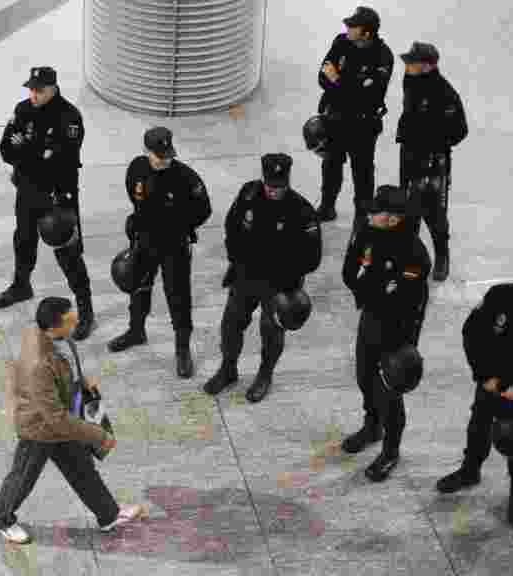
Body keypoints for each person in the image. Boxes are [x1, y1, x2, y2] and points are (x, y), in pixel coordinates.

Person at [0, 296, 145, 544]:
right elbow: (56, 418)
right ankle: (1, 519)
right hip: (40, 428)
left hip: (59, 419)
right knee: (23, 478)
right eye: (69, 319)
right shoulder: (39, 364)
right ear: (54, 327)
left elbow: (64, 371)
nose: (75, 321)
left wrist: (80, 382)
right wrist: (98, 435)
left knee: (82, 469)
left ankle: (108, 515)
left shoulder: (57, 337)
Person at [203, 154, 321, 401]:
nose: (273, 191)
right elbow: (232, 226)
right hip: (246, 276)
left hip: (280, 286)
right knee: (231, 325)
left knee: (271, 333)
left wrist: (284, 272)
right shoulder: (249, 195)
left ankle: (265, 375)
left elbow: (313, 257)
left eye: (279, 187)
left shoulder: (302, 211)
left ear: (287, 181)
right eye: (270, 186)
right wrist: (236, 259)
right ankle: (228, 369)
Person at [0, 67, 95, 339]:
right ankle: (21, 286)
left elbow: (60, 163)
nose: (33, 95)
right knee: (23, 240)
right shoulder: (23, 109)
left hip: (57, 196)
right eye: (31, 89)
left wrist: (25, 148)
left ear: (53, 88)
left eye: (39, 90)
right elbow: (5, 150)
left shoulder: (69, 118)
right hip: (27, 191)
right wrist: (36, 152)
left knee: (68, 253)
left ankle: (86, 311)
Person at [340, 185, 430, 482]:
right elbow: (349, 272)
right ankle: (372, 426)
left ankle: (391, 450)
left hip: (398, 331)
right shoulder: (366, 231)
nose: (370, 214)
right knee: (364, 376)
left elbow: (402, 299)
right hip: (371, 317)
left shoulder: (414, 253)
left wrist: (371, 287)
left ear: (393, 218)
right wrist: (373, 288)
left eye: (377, 211)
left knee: (389, 391)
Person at [436, 255, 513, 528]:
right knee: (478, 425)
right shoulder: (499, 297)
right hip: (490, 382)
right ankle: (470, 471)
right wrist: (485, 376)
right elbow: (472, 334)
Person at [108, 127, 212, 377]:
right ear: (147, 151)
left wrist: (179, 225)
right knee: (138, 287)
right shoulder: (137, 168)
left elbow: (204, 209)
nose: (164, 160)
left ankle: (182, 349)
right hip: (144, 241)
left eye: (167, 155)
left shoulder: (186, 177)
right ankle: (136, 331)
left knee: (178, 296)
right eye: (158, 155)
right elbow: (135, 197)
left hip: (174, 246)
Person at [395, 41, 468, 282]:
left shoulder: (445, 93)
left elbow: (460, 130)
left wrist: (434, 142)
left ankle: (442, 256)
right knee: (409, 209)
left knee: (435, 214)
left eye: (412, 62)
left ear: (427, 65)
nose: (407, 65)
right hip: (409, 157)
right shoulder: (410, 81)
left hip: (434, 162)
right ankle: (411, 255)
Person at [315, 6, 393, 226]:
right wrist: (351, 86)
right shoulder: (341, 42)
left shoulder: (382, 56)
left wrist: (338, 81)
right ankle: (327, 206)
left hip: (363, 124)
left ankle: (362, 215)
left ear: (366, 33)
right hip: (335, 118)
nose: (347, 28)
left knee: (363, 171)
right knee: (330, 165)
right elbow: (322, 77)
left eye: (353, 26)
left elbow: (369, 96)